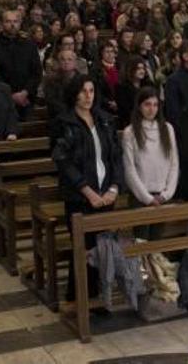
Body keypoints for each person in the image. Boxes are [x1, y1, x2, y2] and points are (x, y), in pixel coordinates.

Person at [52, 75, 122, 302]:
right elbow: (64, 162)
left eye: (91, 91)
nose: (87, 96)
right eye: (83, 91)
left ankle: (101, 297)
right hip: (79, 197)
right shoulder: (64, 122)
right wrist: (88, 192)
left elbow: (116, 157)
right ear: (74, 94)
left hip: (106, 195)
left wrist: (114, 188)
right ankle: (80, 300)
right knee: (84, 249)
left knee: (104, 247)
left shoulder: (105, 119)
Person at [122, 87, 179, 238]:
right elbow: (130, 169)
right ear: (139, 106)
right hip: (141, 197)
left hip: (162, 195)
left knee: (157, 242)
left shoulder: (167, 129)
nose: (151, 109)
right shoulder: (130, 132)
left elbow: (174, 164)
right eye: (147, 104)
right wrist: (147, 198)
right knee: (141, 242)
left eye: (155, 105)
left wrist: (166, 194)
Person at [0, 10, 42, 119]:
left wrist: (25, 92)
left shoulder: (29, 44)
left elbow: (36, 72)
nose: (12, 25)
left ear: (20, 23)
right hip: (1, 99)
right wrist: (11, 95)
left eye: (15, 21)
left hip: (27, 99)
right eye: (8, 21)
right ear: (2, 23)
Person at [116, 57, 153, 130]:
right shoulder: (122, 88)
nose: (142, 71)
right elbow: (125, 110)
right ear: (131, 69)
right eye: (138, 69)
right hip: (131, 124)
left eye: (143, 68)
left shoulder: (149, 85)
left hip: (149, 122)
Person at [89, 42, 120, 117]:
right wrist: (109, 102)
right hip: (104, 106)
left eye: (112, 51)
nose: (110, 54)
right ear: (101, 53)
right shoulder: (96, 69)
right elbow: (96, 90)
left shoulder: (119, 66)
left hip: (120, 104)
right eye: (107, 52)